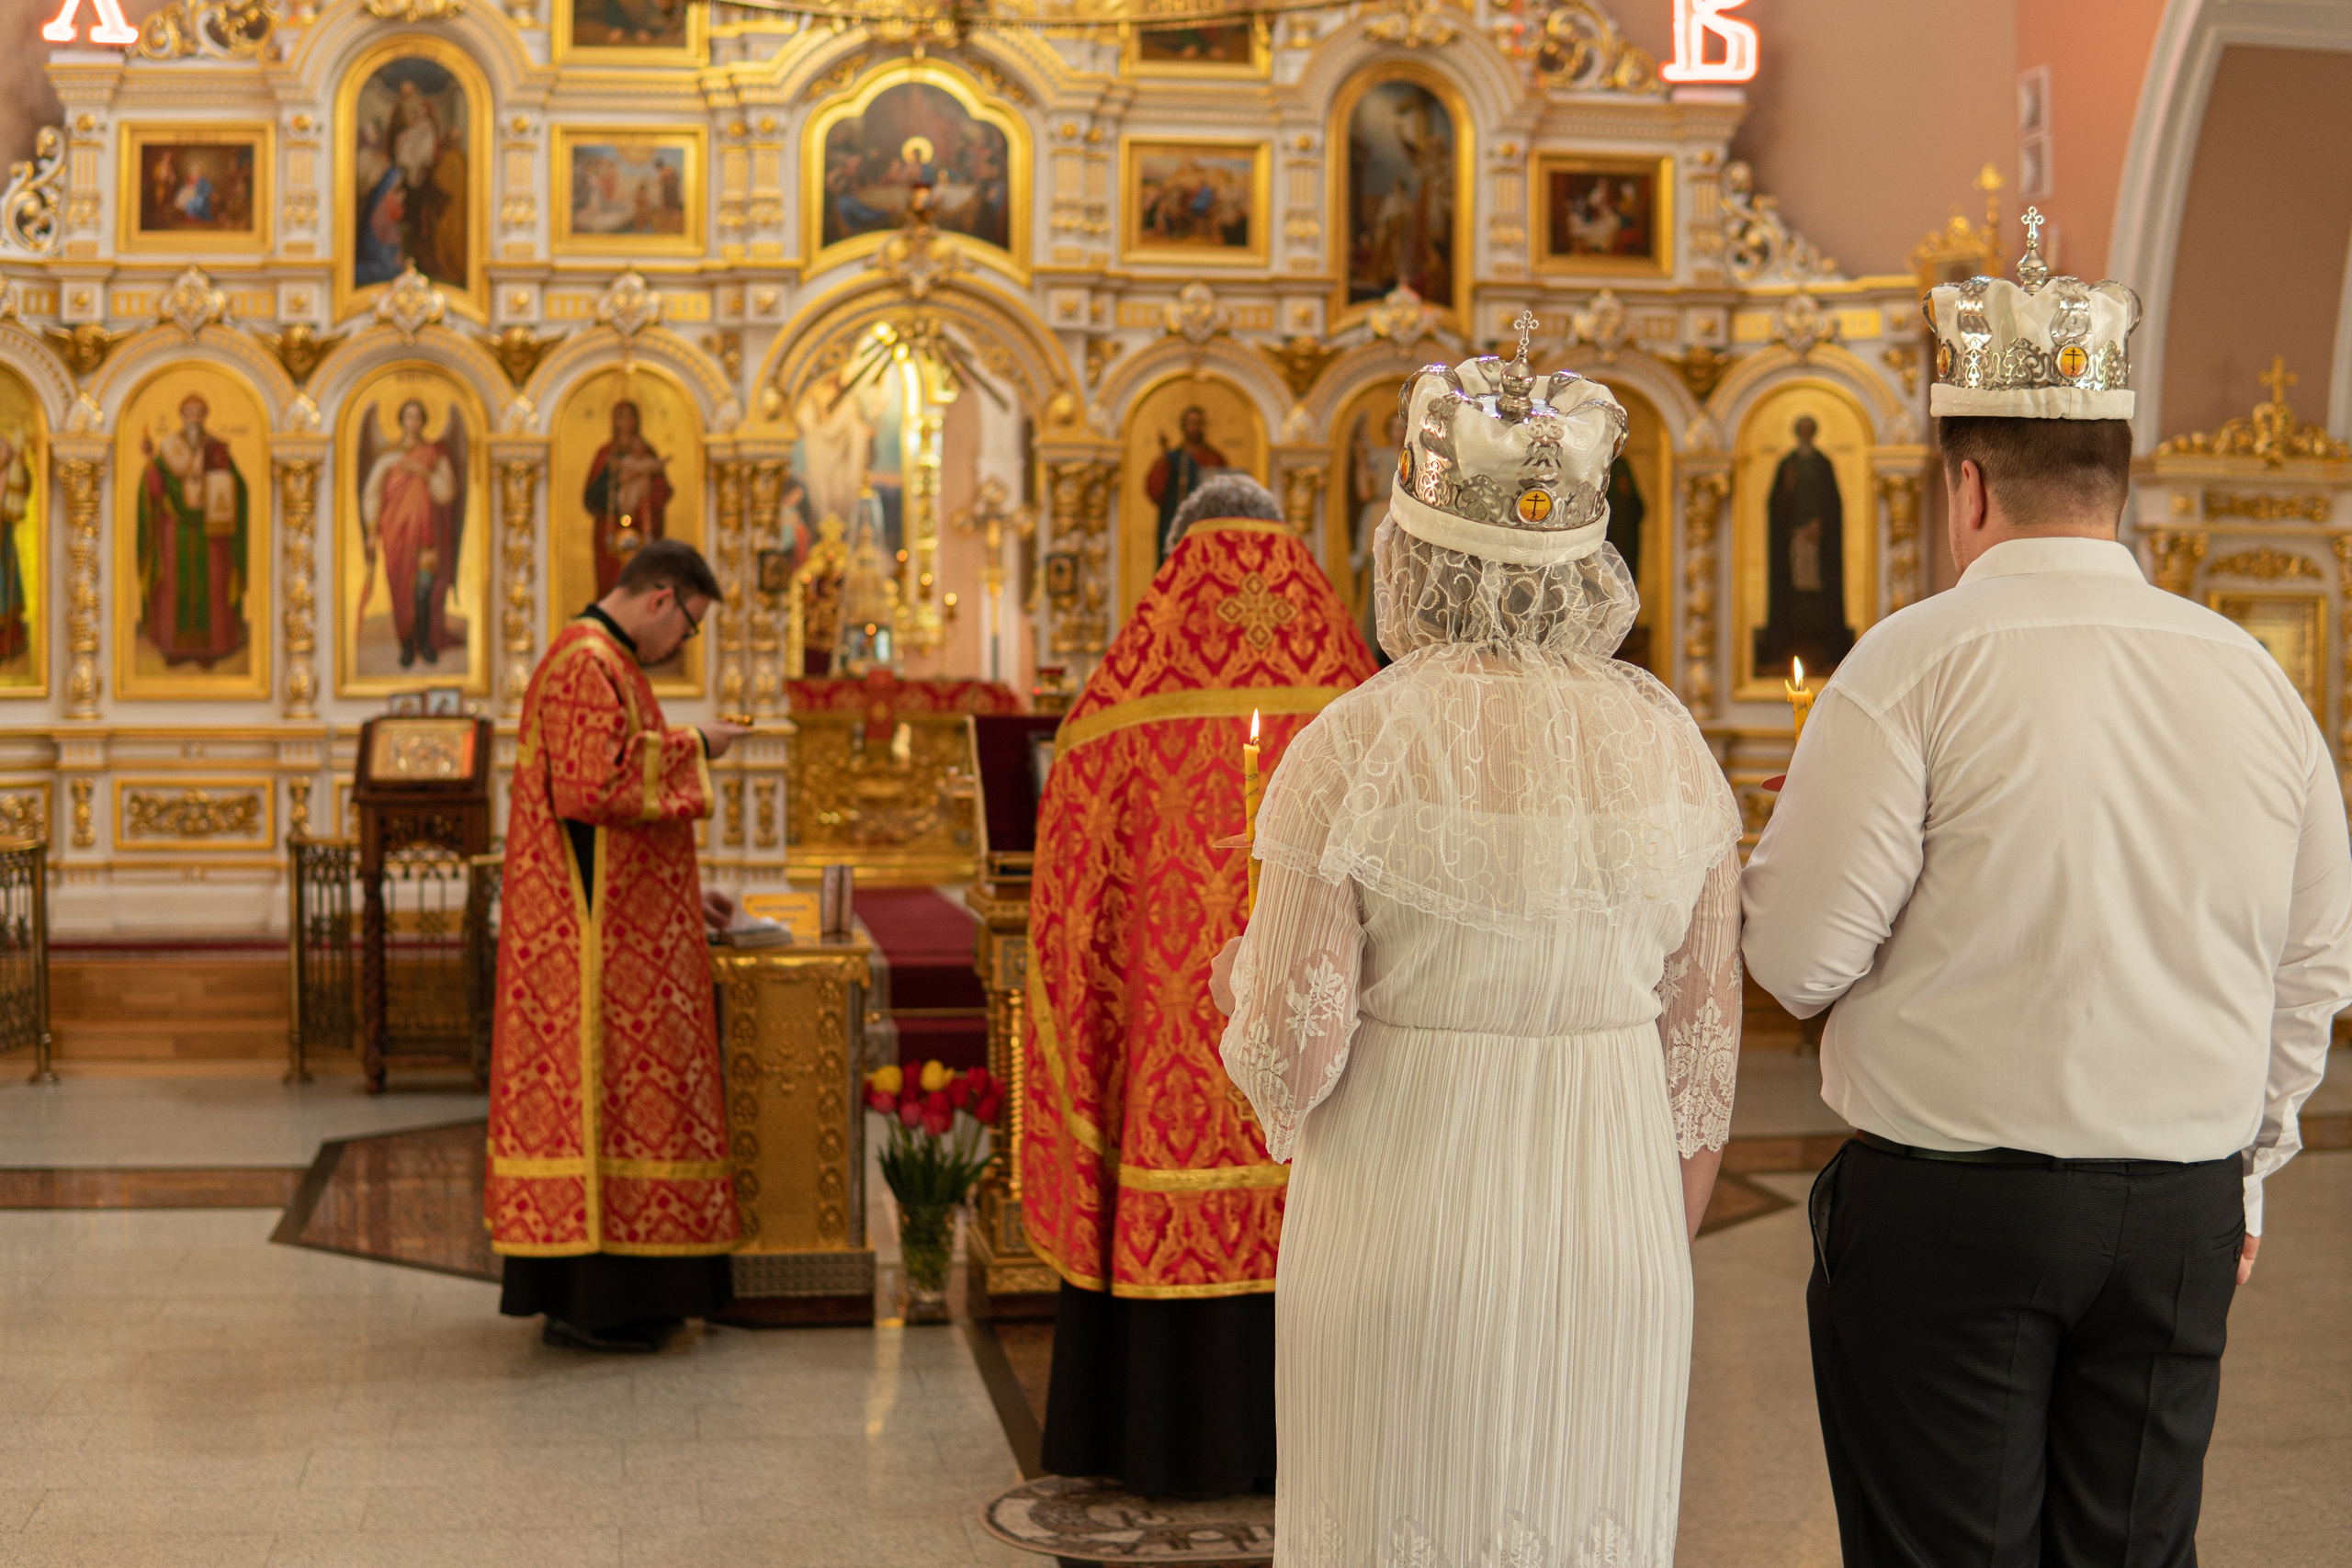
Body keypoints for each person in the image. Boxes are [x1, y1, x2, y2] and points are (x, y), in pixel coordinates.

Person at [1743, 226, 2352, 1566]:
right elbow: (2316, 959)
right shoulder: (2252, 677)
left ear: (1966, 485)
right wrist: (2250, 1168)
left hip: (1952, 1210)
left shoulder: (1910, 662)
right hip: (2182, 1204)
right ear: (2115, 478)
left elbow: (1795, 958)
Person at [1213, 330, 1743, 1566]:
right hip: (1618, 1237)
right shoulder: (1673, 750)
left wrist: (1237, 983)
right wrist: (1640, 1249)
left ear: (1410, 553)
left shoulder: (1347, 748)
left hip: (1402, 1225)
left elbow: (1290, 1055)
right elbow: (1701, 1068)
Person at [1023, 472, 1378, 1500]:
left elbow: (1070, 910)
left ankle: (1164, 1439)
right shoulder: (1357, 699)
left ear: (1174, 552)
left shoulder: (1116, 712)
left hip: (1165, 1059)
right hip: (1324, 1047)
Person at [487, 539, 753, 1353]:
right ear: (662, 598)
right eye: (690, 626)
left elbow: (607, 819)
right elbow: (592, 786)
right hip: (588, 953)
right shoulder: (586, 661)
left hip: (621, 936)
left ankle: (641, 1295)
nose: (683, 645)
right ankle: (593, 1306)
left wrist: (678, 892)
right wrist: (699, 744)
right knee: (610, 1109)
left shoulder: (611, 663)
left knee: (642, 1112)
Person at [135, 392, 248, 668]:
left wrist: (225, 486)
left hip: (211, 530)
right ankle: (174, 649)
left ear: (205, 417)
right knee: (173, 584)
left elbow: (238, 487)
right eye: (189, 413)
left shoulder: (217, 449)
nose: (194, 418)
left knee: (214, 584)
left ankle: (210, 649)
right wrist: (150, 466)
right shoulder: (168, 450)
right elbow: (155, 490)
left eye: (199, 413)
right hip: (175, 529)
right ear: (182, 417)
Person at [358, 398, 463, 670]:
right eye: (408, 416)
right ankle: (407, 645)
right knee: (401, 590)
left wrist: (424, 473)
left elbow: (447, 493)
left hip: (427, 536)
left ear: (423, 421)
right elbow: (372, 495)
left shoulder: (435, 455)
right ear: (401, 421)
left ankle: (424, 643)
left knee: (424, 590)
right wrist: (371, 531)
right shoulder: (388, 457)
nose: (413, 422)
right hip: (396, 534)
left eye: (417, 417)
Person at [1751, 414, 1855, 678]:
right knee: (1794, 590)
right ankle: (1787, 645)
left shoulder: (1822, 464)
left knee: (1818, 590)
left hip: (1819, 542)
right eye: (1802, 430)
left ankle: (1825, 650)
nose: (1806, 434)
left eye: (1810, 430)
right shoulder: (1788, 464)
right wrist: (1787, 492)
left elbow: (1832, 503)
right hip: (1793, 540)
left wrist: (1820, 524)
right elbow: (1776, 505)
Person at [583, 400, 673, 600]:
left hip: (642, 527)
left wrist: (647, 484)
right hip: (610, 530)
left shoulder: (647, 453)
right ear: (614, 421)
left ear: (637, 420)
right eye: (621, 416)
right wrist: (617, 480)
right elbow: (591, 497)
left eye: (630, 416)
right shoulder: (605, 454)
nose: (625, 422)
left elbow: (662, 491)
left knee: (641, 586)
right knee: (611, 586)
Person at [1143, 405, 1228, 564]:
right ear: (1184, 426)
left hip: (1205, 523)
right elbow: (1155, 490)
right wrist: (1165, 457)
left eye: (1199, 423)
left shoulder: (1214, 458)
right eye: (1192, 423)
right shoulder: (1173, 457)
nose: (1195, 427)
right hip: (1176, 521)